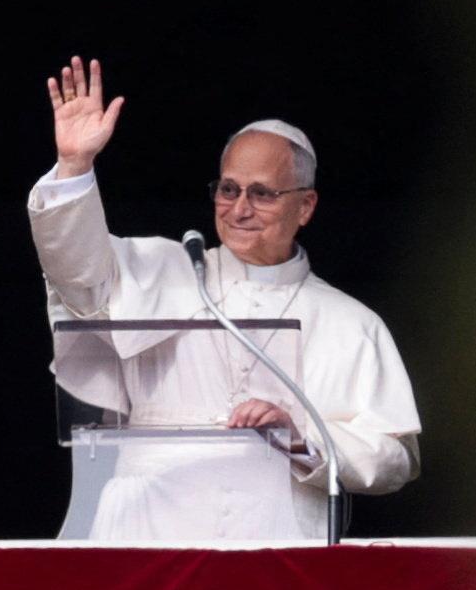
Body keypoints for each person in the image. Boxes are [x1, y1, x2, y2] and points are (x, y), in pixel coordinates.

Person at [31, 60, 421, 542]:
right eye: (229, 189)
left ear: (306, 206)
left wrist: (303, 435)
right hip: (148, 527)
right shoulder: (163, 269)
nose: (239, 209)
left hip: (275, 536)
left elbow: (393, 458)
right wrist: (74, 167)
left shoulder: (350, 322)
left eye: (262, 194)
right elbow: (75, 272)